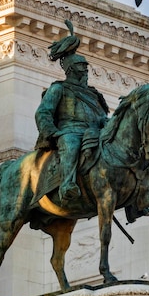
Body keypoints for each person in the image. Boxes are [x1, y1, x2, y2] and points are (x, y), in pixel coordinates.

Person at [35, 22, 109, 204]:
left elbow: (101, 116)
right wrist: (52, 131)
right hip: (70, 131)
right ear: (71, 69)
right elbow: (43, 112)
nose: (85, 71)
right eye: (81, 67)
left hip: (94, 132)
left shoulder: (94, 95)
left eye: (85, 67)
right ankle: (67, 184)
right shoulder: (59, 89)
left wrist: (109, 124)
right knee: (71, 143)